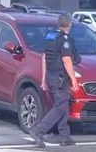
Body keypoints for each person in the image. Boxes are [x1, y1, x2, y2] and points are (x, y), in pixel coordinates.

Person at [29, 14, 81, 148]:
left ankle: (64, 136)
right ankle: (38, 130)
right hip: (60, 77)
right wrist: (74, 80)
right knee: (60, 106)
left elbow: (44, 57)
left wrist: (43, 79)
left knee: (62, 105)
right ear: (69, 24)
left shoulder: (50, 37)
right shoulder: (64, 39)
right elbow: (67, 60)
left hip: (51, 76)